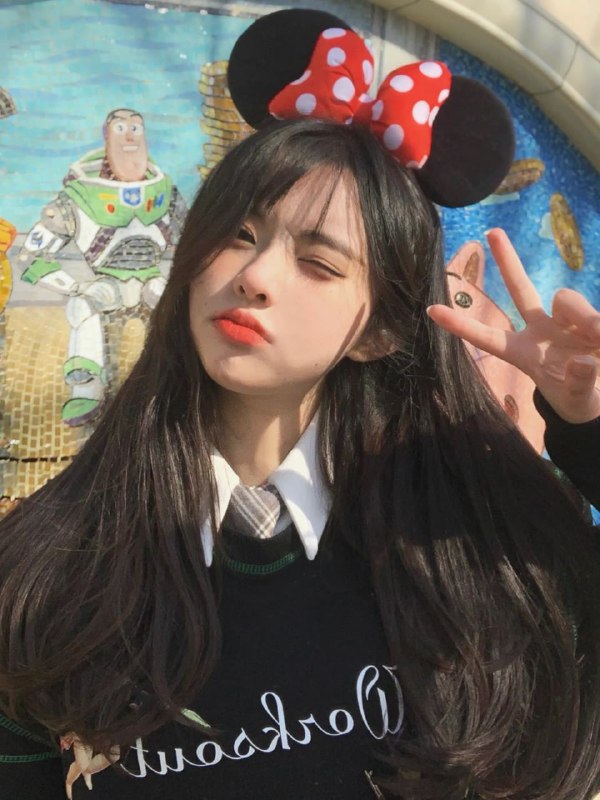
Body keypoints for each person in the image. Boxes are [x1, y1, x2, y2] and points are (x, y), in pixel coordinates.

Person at [0, 10, 600, 800]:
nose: (255, 277)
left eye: (318, 262)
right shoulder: (52, 565)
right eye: (239, 234)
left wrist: (588, 428)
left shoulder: (475, 546)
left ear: (382, 329)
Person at [16, 108, 188, 426]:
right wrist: (73, 286)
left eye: (136, 127)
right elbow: (32, 256)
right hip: (108, 282)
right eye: (121, 128)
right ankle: (86, 388)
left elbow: (193, 241)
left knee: (180, 307)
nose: (129, 136)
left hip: (152, 280)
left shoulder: (166, 193)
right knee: (82, 307)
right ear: (107, 136)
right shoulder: (77, 197)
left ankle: (178, 386)